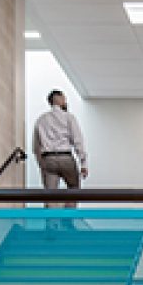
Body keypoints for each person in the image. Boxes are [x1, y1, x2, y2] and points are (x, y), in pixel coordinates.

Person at [32, 89, 89, 218]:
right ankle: (68, 218)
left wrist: (42, 164)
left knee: (50, 194)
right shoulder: (69, 117)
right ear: (60, 100)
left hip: (48, 158)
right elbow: (77, 140)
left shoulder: (41, 120)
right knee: (73, 188)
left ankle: (52, 224)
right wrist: (83, 163)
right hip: (65, 157)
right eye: (64, 99)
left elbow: (36, 147)